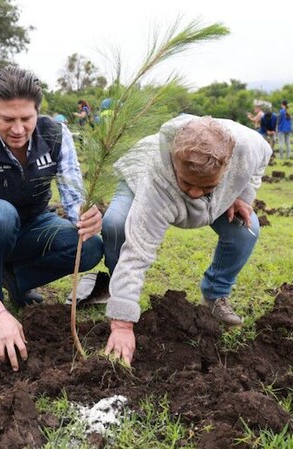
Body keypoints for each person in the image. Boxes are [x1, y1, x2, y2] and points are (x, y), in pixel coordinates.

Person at [0, 66, 104, 371]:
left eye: (26, 119)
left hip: (34, 225)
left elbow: (73, 200)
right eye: (7, 119)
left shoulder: (56, 134)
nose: (18, 129)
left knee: (92, 246)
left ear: (37, 112)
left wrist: (87, 217)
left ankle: (17, 281)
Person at [98, 115, 272, 365]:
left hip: (216, 195)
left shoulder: (249, 146)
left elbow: (261, 160)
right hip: (141, 176)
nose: (194, 193)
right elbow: (138, 253)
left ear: (227, 166)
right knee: (116, 224)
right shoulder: (157, 180)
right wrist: (122, 325)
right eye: (188, 183)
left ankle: (216, 296)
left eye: (206, 186)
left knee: (247, 228)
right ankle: (119, 297)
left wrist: (243, 195)